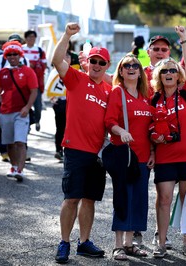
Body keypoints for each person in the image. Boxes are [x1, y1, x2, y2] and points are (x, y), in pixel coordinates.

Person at [52, 23, 112, 263]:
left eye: (101, 63)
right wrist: (66, 35)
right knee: (71, 199)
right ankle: (64, 242)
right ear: (87, 63)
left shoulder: (110, 90)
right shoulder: (76, 78)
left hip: (98, 154)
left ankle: (84, 242)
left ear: (107, 66)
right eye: (93, 61)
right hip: (76, 149)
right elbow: (57, 60)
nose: (96, 66)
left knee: (89, 200)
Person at [150, 25, 186, 258]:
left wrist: (184, 41)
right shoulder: (154, 99)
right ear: (158, 77)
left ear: (178, 75)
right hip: (165, 157)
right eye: (164, 71)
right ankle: (161, 242)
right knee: (164, 199)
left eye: (172, 70)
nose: (168, 73)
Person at [105, 54, 154, 261]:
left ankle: (129, 243)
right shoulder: (118, 92)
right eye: (127, 66)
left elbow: (151, 126)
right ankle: (118, 246)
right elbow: (109, 121)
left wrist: (153, 152)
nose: (132, 68)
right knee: (123, 198)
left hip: (143, 157)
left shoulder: (146, 95)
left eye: (135, 65)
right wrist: (120, 131)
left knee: (139, 200)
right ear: (121, 71)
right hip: (124, 156)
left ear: (140, 71)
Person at [0, 41, 38, 181]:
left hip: (21, 112)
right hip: (5, 112)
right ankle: (14, 166)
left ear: (20, 55)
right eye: (9, 55)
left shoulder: (28, 71)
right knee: (9, 143)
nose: (12, 57)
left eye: (15, 54)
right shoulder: (3, 72)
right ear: (6, 56)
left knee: (20, 142)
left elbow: (34, 91)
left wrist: (27, 107)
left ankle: (20, 171)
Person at [133, 34, 171, 247]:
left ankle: (161, 232)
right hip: (143, 140)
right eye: (156, 48)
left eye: (164, 49)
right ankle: (136, 231)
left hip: (166, 142)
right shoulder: (140, 75)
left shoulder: (175, 74)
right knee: (139, 189)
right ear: (148, 52)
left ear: (169, 53)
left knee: (164, 192)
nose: (159, 52)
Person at [0, 33, 30, 162]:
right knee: (3, 127)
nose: (13, 54)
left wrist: (28, 102)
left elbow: (29, 80)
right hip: (3, 100)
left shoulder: (24, 60)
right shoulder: (0, 59)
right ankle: (4, 150)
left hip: (20, 101)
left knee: (23, 127)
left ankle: (22, 153)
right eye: (12, 43)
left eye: (17, 43)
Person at [22, 29, 47, 132]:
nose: (31, 39)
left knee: (37, 106)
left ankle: (37, 120)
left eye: (33, 37)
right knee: (24, 104)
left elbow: (44, 65)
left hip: (36, 83)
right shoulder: (21, 49)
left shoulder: (40, 50)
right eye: (29, 37)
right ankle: (26, 125)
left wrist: (36, 66)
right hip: (23, 83)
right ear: (26, 38)